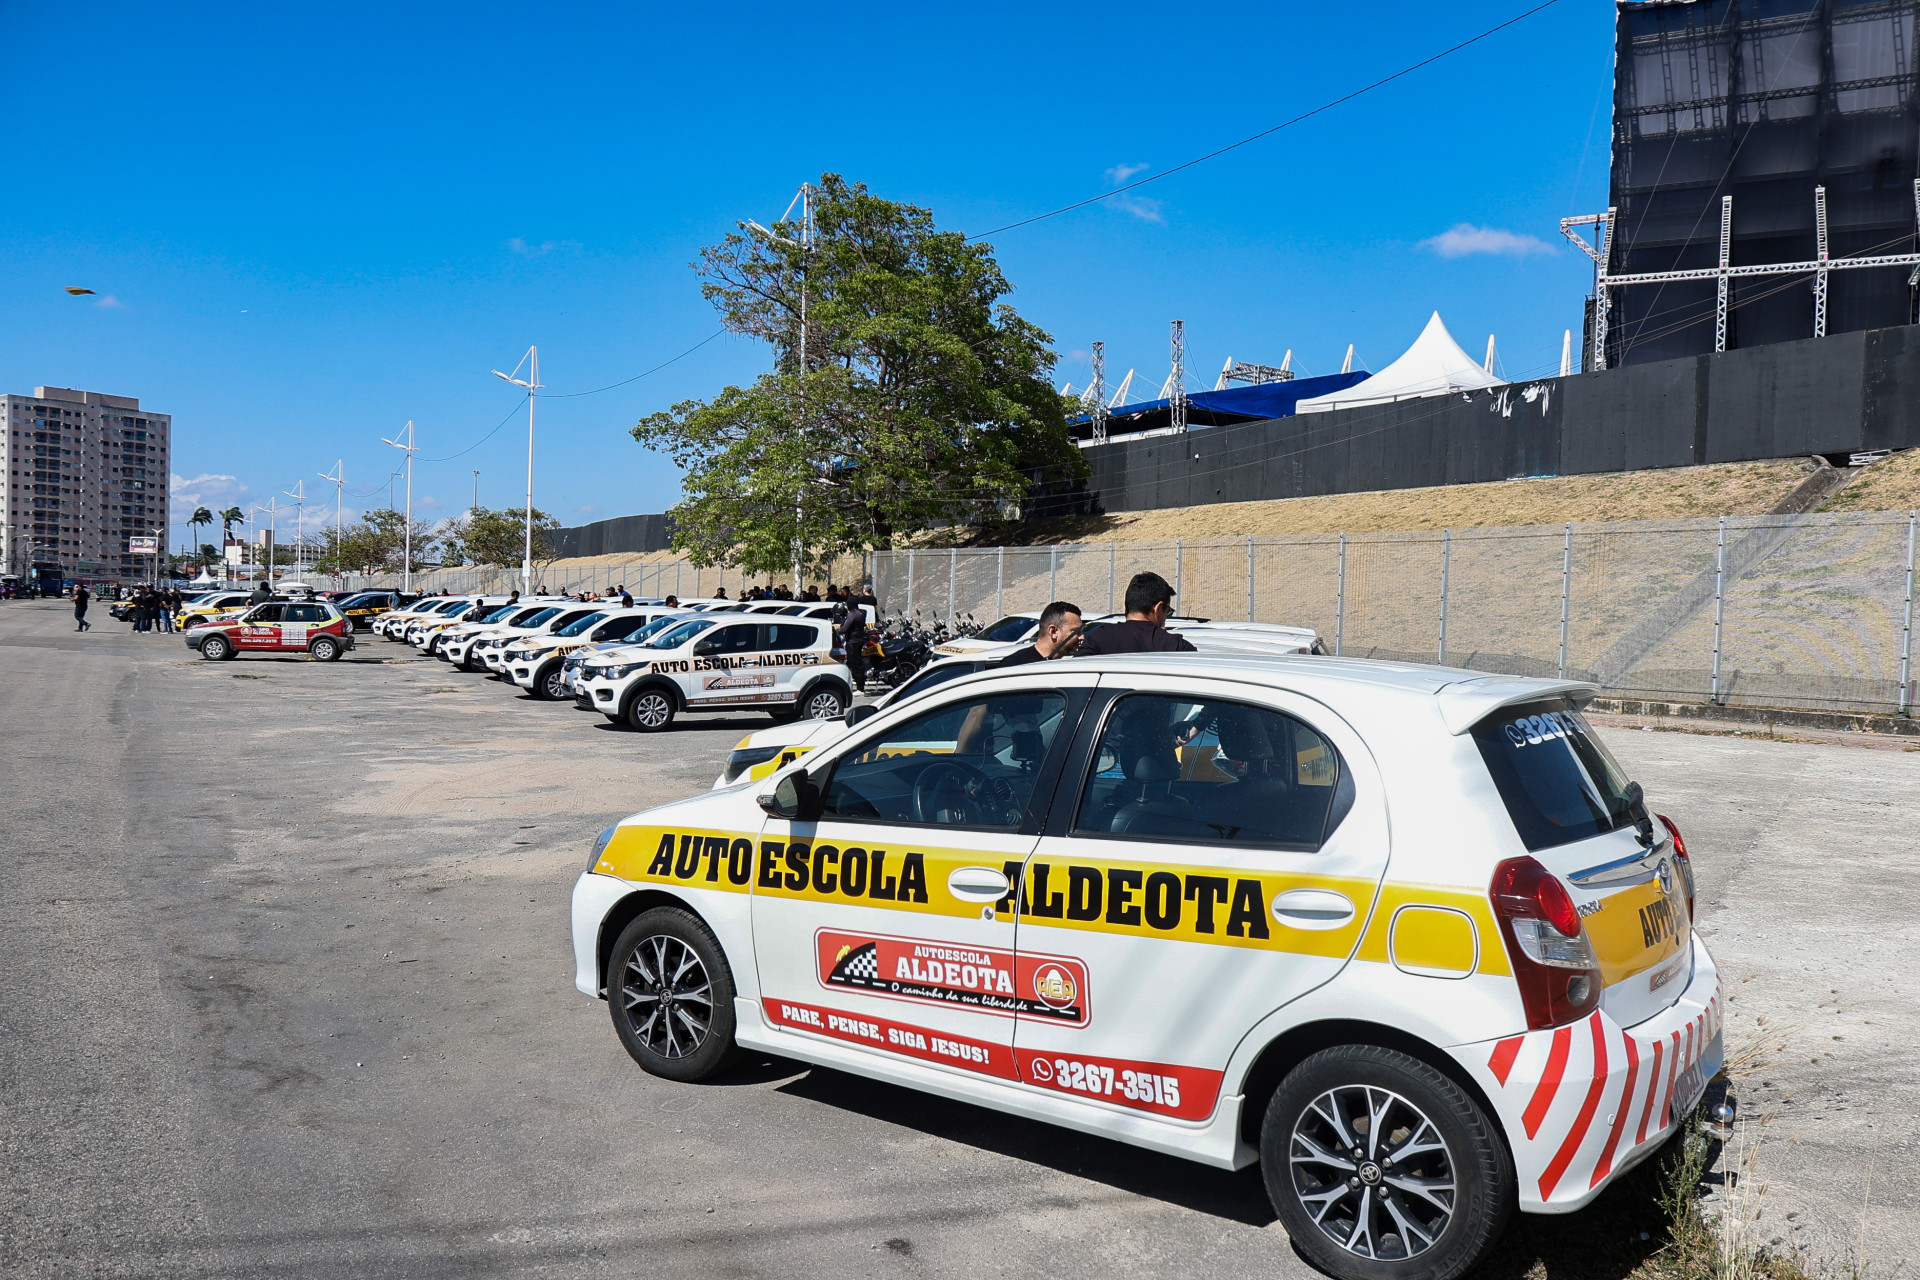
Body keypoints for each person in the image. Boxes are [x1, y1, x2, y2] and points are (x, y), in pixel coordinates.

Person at [1074, 572, 1196, 655]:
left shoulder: (1096, 639)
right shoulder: (1178, 647)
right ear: (1158, 608)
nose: (1166, 617)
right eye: (1168, 611)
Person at [996, 601, 1083, 667]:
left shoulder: (1064, 667)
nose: (1082, 637)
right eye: (1075, 631)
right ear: (1053, 632)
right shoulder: (1014, 666)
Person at [838, 599, 871, 694]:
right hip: (858, 640)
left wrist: (835, 632)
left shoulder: (852, 614)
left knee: (856, 665)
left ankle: (860, 688)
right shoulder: (860, 613)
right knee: (853, 663)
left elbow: (845, 628)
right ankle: (857, 684)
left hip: (853, 642)